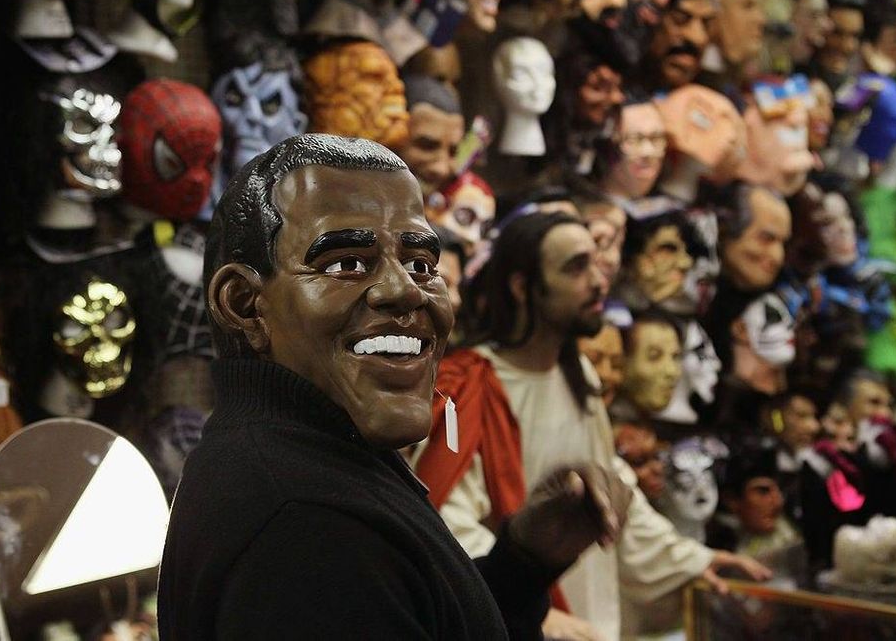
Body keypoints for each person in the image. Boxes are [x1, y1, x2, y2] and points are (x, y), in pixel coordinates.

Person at [157, 133, 633, 640]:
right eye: (346, 264)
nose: (406, 289)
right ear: (245, 305)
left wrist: (522, 563)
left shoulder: (311, 464)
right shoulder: (308, 527)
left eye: (422, 265)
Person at [413, 210, 769, 641]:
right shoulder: (469, 385)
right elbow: (445, 526)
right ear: (522, 286)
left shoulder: (580, 374)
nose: (599, 282)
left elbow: (613, 496)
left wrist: (693, 562)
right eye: (576, 267)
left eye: (597, 263)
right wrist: (528, 605)